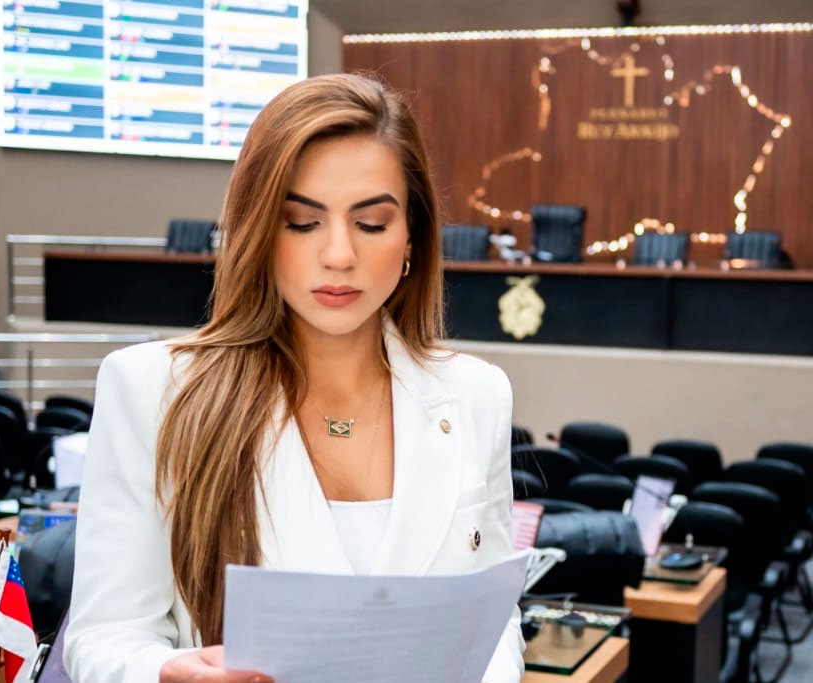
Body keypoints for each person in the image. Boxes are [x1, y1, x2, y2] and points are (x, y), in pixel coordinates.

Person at [63, 74, 523, 683]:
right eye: (302, 223)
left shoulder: (476, 396)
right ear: (258, 230)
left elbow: (490, 624)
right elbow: (104, 634)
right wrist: (167, 671)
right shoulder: (155, 390)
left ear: (412, 235)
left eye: (372, 223)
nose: (338, 254)